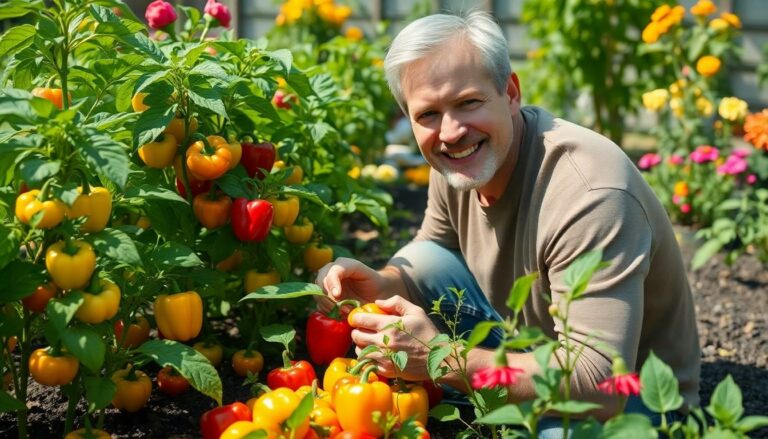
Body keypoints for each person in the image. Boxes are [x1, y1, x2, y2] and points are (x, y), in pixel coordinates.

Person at [314, 10, 700, 432]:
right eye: (427, 114)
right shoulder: (457, 159)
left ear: (510, 92)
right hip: (538, 345)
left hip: (630, 397)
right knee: (423, 256)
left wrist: (446, 360)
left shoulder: (591, 194)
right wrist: (385, 283)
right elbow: (435, 250)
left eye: (468, 103)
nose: (450, 132)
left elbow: (597, 380)